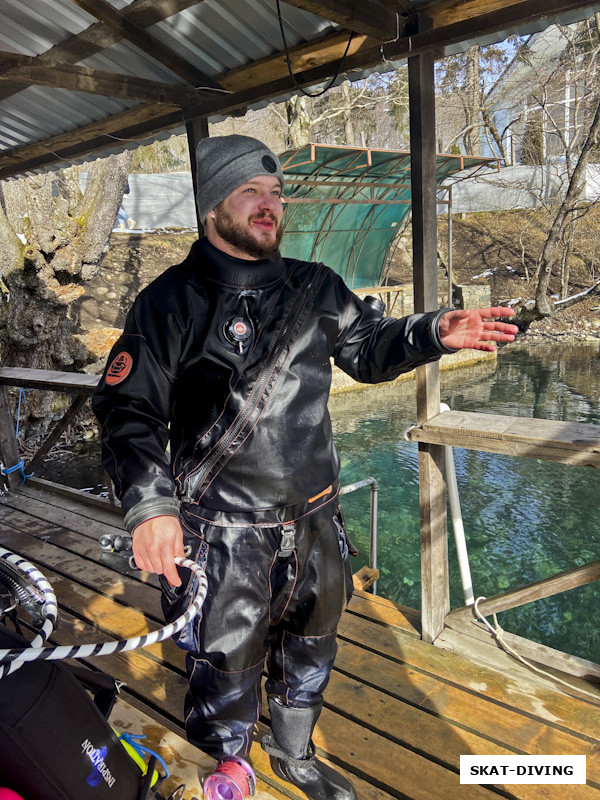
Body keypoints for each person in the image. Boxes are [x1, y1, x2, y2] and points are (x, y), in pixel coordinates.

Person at [92, 135, 518, 800]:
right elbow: (127, 410)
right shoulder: (169, 302)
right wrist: (151, 507)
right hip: (221, 535)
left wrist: (434, 332)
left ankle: (292, 755)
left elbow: (370, 349)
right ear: (212, 208)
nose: (270, 206)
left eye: (275, 192)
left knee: (312, 648)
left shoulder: (316, 287)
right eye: (249, 193)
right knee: (224, 664)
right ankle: (223, 772)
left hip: (316, 520)